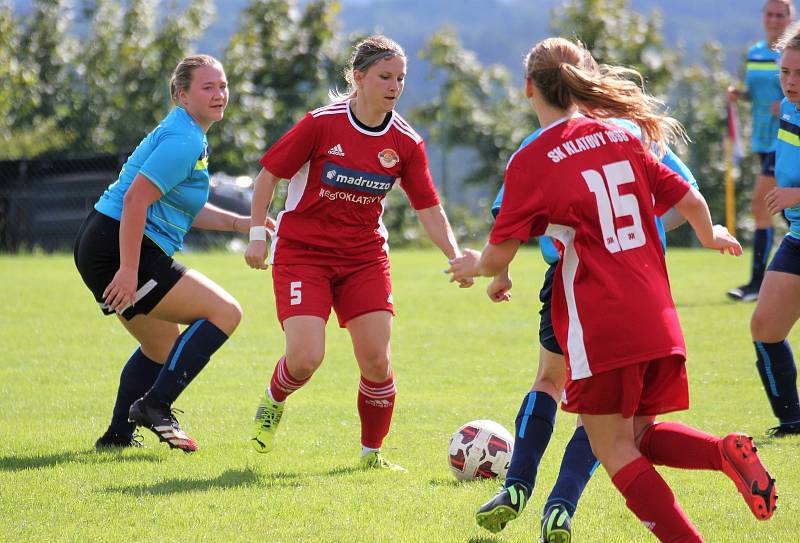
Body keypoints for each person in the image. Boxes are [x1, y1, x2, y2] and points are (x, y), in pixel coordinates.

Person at [449, 37, 777, 542]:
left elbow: (498, 254)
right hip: (657, 308)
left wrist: (477, 264)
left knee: (612, 446)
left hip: (600, 316)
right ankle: (723, 451)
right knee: (639, 435)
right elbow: (688, 196)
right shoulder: (621, 137)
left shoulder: (533, 159)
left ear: (529, 88)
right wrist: (711, 235)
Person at [244, 35, 469, 470]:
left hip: (364, 258)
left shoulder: (405, 142)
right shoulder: (321, 124)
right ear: (358, 77)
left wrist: (454, 256)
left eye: (401, 78)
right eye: (385, 76)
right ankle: (274, 400)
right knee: (306, 358)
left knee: (376, 361)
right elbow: (269, 176)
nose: (395, 86)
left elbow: (429, 207)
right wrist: (258, 234)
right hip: (303, 254)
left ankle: (371, 454)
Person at [475, 117, 700, 542]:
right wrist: (635, 225)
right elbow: (685, 197)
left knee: (548, 380)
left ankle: (516, 485)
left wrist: (499, 273)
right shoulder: (633, 132)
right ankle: (561, 506)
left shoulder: (540, 142)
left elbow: (508, 217)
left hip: (571, 277)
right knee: (603, 414)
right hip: (638, 281)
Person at [74, 54, 256, 452]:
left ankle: (117, 438)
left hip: (104, 241)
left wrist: (241, 224)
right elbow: (137, 200)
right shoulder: (185, 138)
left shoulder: (189, 132)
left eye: (222, 85)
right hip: (119, 247)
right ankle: (156, 405)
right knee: (226, 312)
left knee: (161, 348)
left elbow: (183, 206)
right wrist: (127, 270)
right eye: (207, 87)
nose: (219, 94)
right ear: (181, 95)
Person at [727, 0, 795, 302]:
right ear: (763, 17)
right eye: (770, 13)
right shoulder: (755, 53)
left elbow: (787, 95)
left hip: (786, 141)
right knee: (780, 210)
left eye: (781, 14)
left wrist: (787, 106)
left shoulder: (792, 52)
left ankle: (756, 283)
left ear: (790, 18)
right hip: (763, 140)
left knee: (761, 206)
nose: (775, 19)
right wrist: (739, 95)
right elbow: (757, 93)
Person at [751, 22, 800, 437]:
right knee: (765, 327)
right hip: (798, 238)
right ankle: (791, 421)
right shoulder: (788, 109)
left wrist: (795, 195)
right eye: (785, 72)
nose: (791, 81)